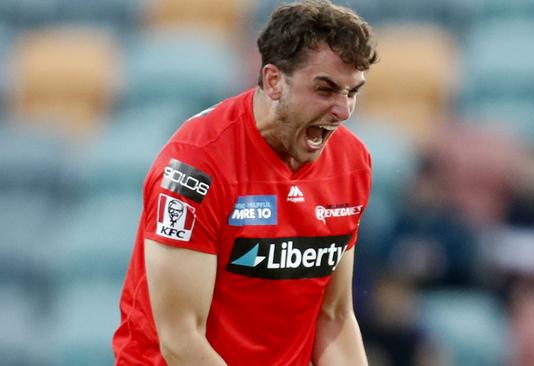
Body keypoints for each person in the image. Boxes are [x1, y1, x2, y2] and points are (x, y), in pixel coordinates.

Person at [112, 1, 378, 365]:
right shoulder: (196, 167)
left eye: (352, 92)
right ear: (273, 81)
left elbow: (333, 316)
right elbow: (181, 338)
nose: (343, 111)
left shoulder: (351, 163)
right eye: (325, 89)